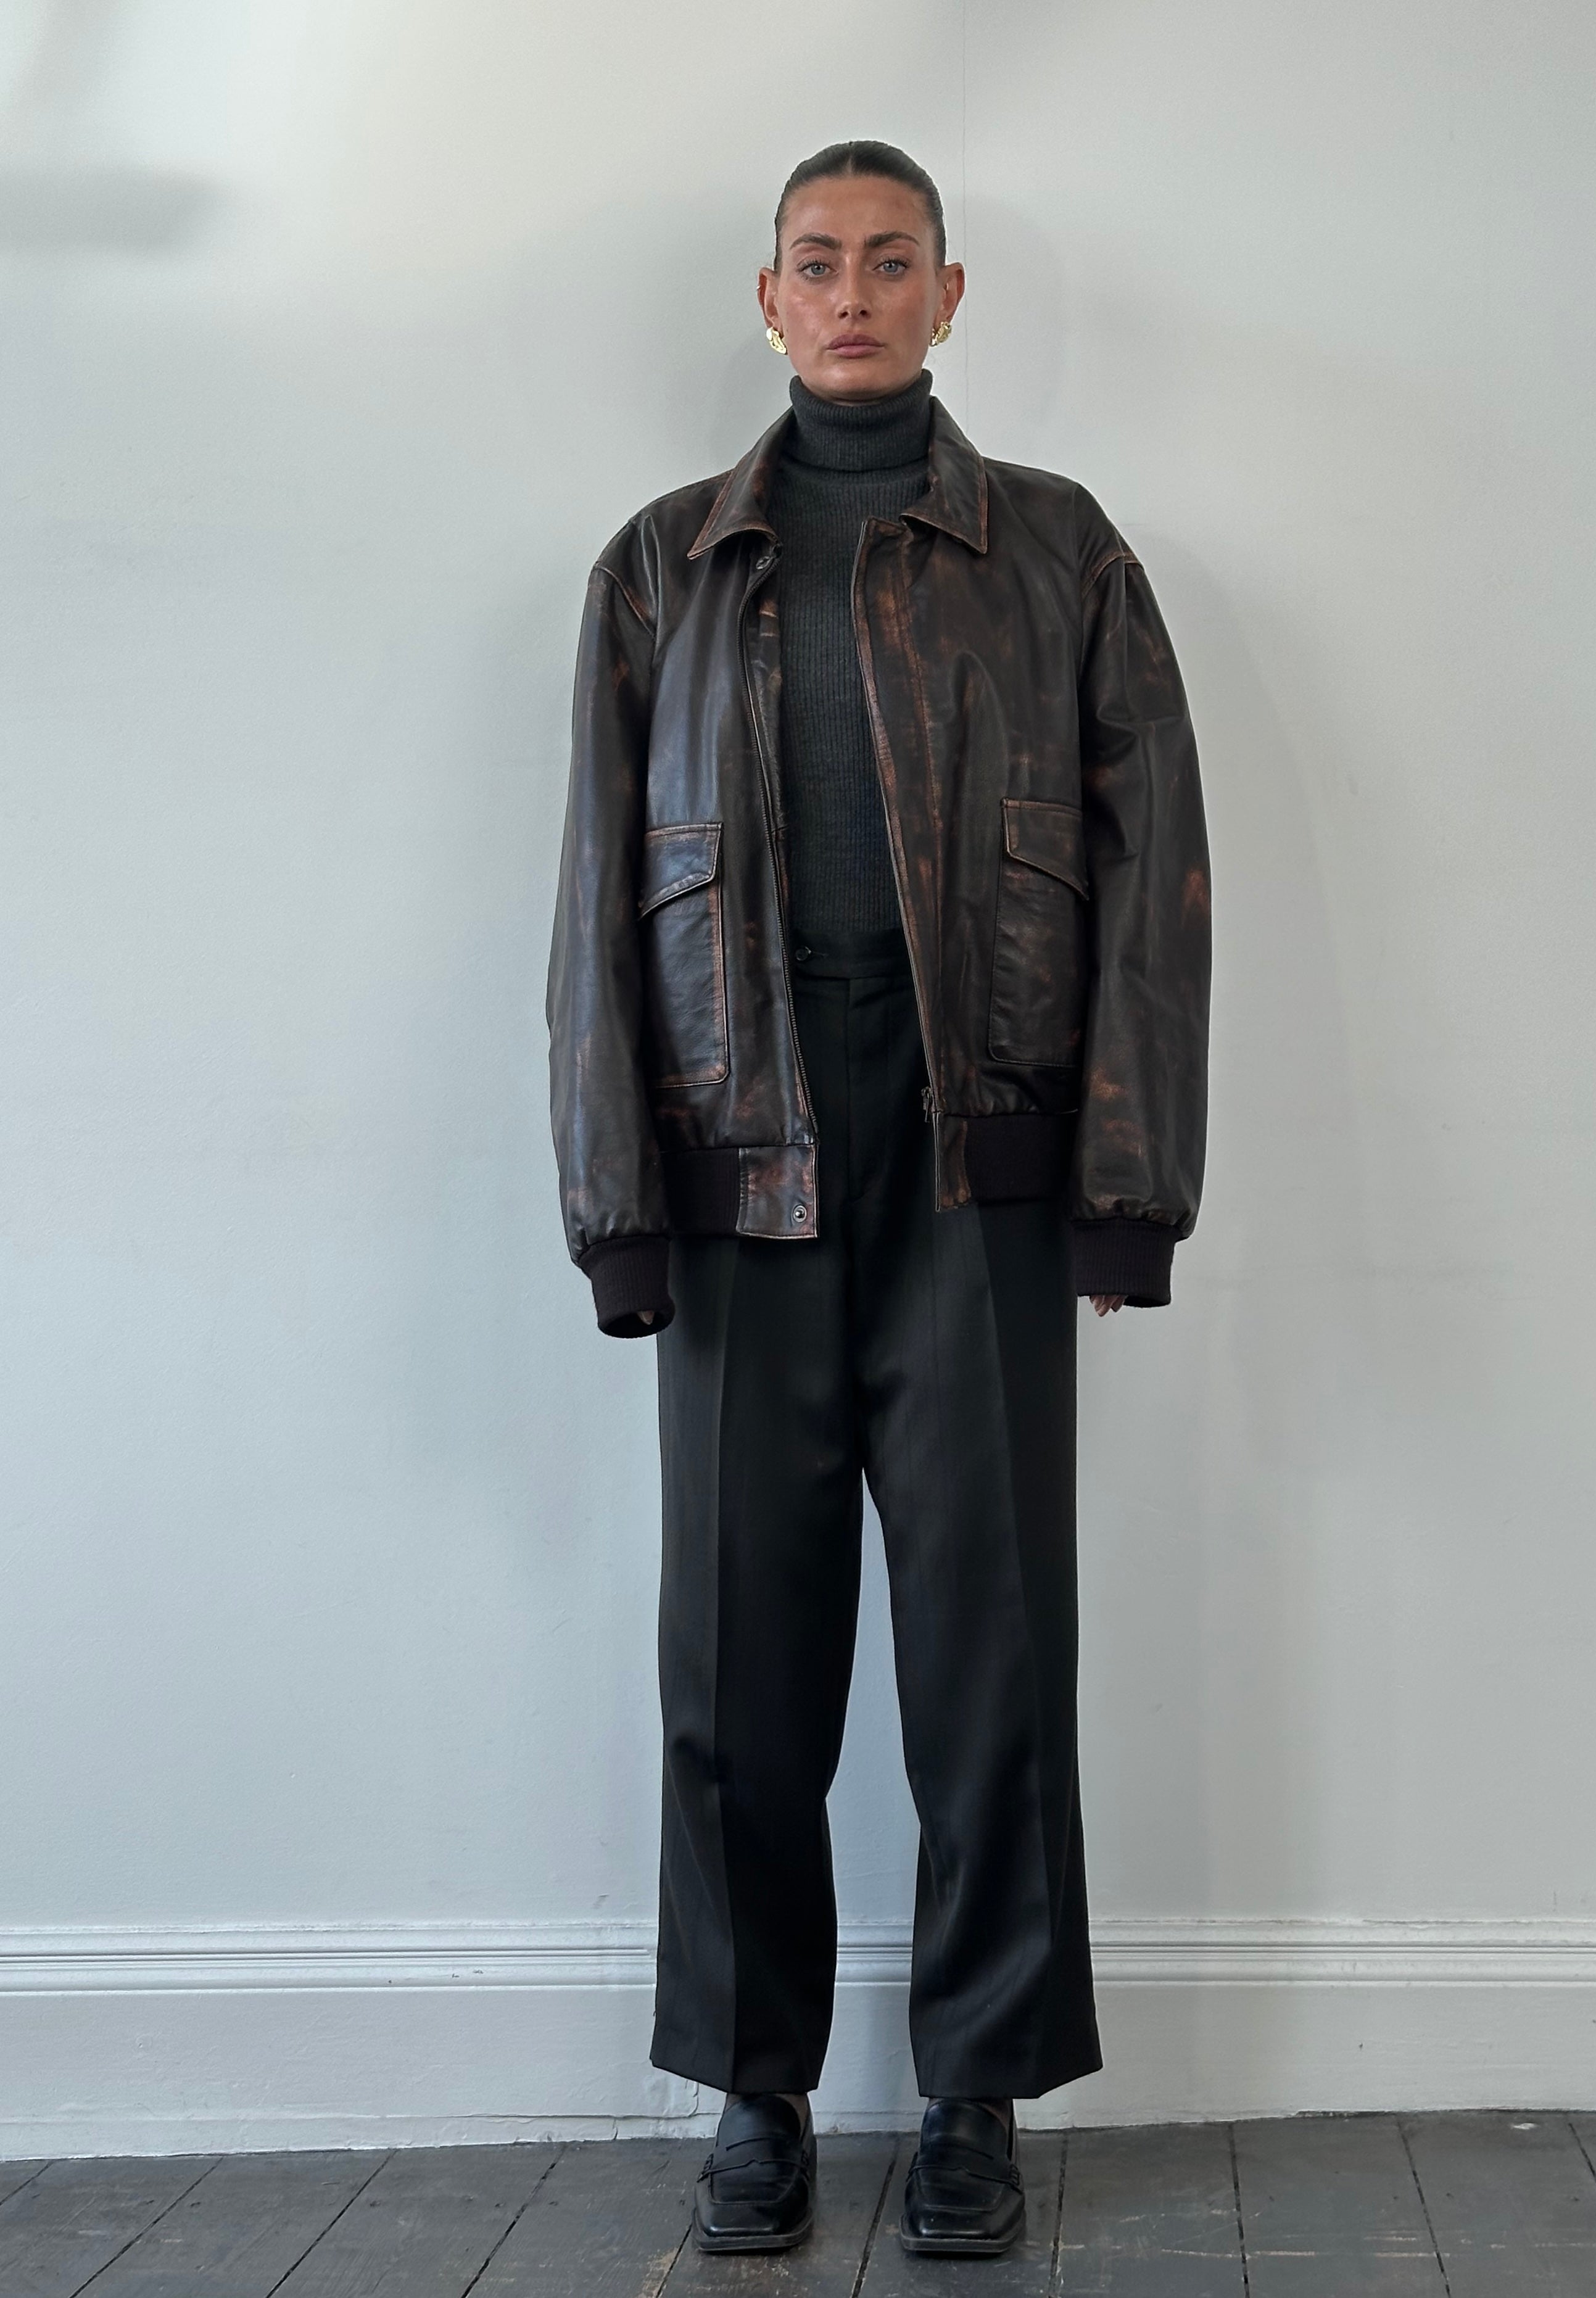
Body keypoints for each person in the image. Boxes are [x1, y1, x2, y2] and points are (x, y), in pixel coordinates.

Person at [547, 139, 1209, 2260]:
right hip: (738, 1164)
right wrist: (616, 1204)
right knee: (737, 1660)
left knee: (990, 1654)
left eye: (890, 260)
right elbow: (596, 903)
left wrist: (1121, 1192)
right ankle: (752, 2093)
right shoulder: (660, 567)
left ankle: (975, 2091)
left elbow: (1153, 886)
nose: (852, 293)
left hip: (975, 1160)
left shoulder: (1061, 552)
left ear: (948, 293)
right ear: (768, 298)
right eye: (817, 262)